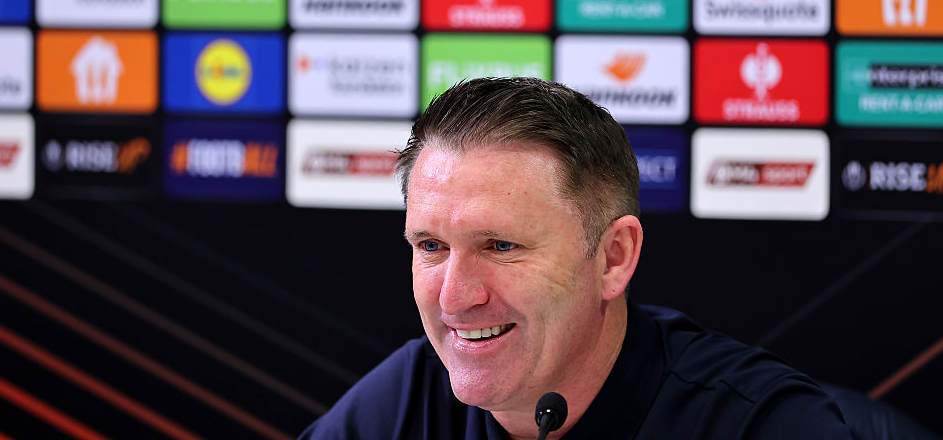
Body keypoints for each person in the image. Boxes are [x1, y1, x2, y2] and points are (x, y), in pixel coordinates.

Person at [300, 77, 854, 439]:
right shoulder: (406, 398)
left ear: (613, 258)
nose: (454, 297)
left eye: (500, 246)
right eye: (431, 247)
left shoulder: (762, 423)